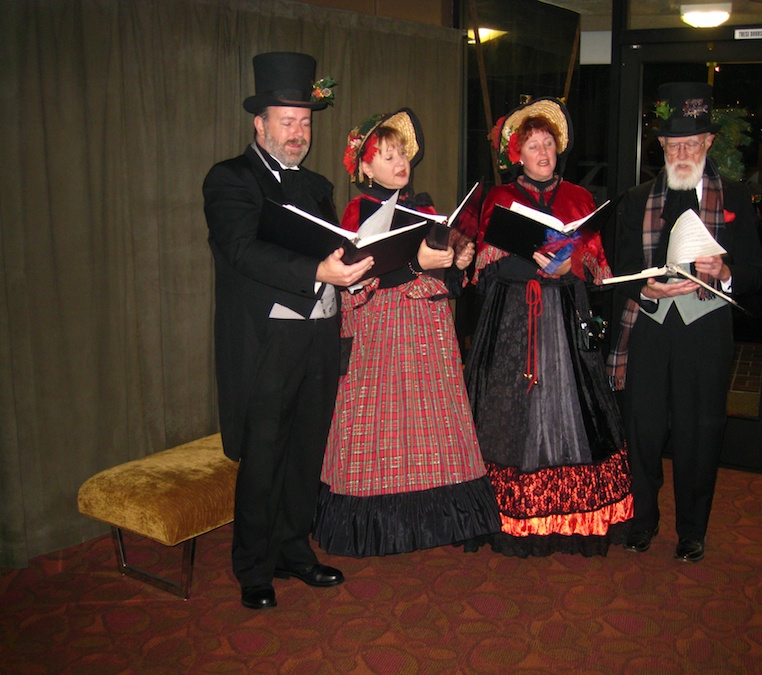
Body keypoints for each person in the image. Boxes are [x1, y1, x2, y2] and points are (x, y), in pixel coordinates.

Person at [203, 52, 373, 610]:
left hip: (319, 337)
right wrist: (316, 271)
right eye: (286, 121)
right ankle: (254, 566)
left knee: (306, 449)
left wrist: (375, 265)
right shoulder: (230, 178)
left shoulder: (317, 186)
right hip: (265, 341)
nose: (297, 133)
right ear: (260, 122)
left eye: (305, 122)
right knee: (265, 453)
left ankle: (293, 549)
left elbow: (337, 252)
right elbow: (240, 250)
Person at [314, 109, 501, 557]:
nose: (400, 163)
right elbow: (360, 278)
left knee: (436, 424)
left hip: (428, 326)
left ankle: (439, 523)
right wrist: (419, 265)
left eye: (403, 155)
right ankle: (377, 527)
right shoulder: (358, 210)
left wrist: (458, 260)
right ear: (364, 167)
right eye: (387, 155)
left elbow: (449, 279)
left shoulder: (425, 208)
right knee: (380, 425)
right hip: (381, 327)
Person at [463, 97, 633, 558]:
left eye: (549, 145)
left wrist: (568, 265)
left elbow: (598, 271)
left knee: (573, 409)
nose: (543, 153)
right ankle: (507, 519)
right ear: (517, 153)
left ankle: (573, 521)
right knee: (509, 413)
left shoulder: (579, 197)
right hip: (513, 323)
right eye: (533, 145)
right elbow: (482, 271)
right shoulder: (499, 198)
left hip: (564, 317)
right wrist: (526, 263)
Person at [607, 82, 762, 563]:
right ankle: (643, 519)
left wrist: (727, 271)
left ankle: (692, 529)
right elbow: (620, 268)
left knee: (700, 431)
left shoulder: (734, 196)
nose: (682, 153)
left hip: (706, 332)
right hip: (650, 329)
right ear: (661, 146)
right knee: (644, 429)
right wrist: (644, 288)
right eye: (673, 145)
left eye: (692, 144)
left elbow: (756, 275)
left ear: (709, 144)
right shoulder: (636, 199)